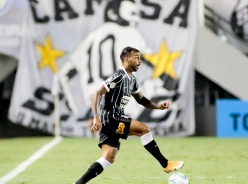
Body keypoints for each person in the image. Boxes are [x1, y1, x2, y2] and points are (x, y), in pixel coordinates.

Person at [73, 46, 184, 184]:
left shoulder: (132, 80)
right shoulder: (119, 76)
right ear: (127, 59)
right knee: (144, 130)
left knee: (109, 157)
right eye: (136, 58)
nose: (140, 61)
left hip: (111, 121)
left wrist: (158, 107)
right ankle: (165, 163)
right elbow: (96, 93)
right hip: (111, 118)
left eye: (140, 58)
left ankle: (78, 183)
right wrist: (96, 117)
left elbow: (142, 100)